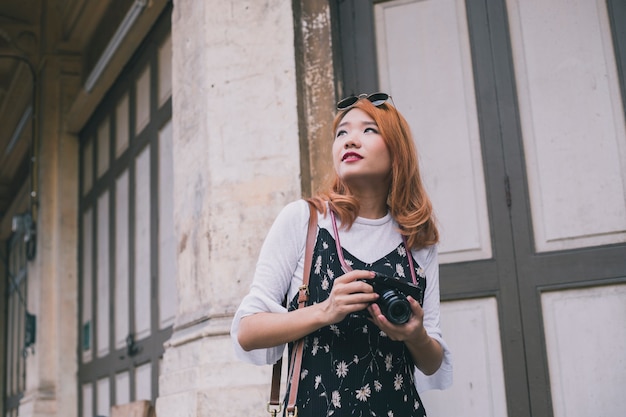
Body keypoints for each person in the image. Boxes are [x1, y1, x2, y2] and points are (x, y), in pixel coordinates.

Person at [230, 93, 452, 417]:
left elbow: (431, 363)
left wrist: (415, 335)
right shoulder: (304, 220)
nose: (350, 140)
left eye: (368, 130)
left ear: (397, 149)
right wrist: (326, 310)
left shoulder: (417, 239)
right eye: (341, 133)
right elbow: (247, 331)